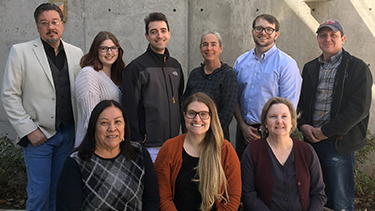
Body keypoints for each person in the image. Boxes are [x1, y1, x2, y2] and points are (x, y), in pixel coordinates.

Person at [1, 3, 83, 210]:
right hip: (39, 137)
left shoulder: (76, 53)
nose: (51, 27)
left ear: (62, 24)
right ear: (37, 27)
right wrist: (29, 131)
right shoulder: (20, 52)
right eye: (44, 23)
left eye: (55, 22)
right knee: (38, 194)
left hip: (68, 135)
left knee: (58, 191)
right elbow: (10, 95)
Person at [297, 19, 372, 211]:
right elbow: (301, 102)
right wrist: (303, 125)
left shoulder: (356, 67)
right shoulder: (310, 67)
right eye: (323, 35)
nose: (327, 39)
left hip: (337, 144)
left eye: (333, 35)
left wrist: (326, 131)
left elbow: (359, 108)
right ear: (318, 39)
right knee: (315, 197)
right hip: (311, 141)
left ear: (343, 38)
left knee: (340, 202)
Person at [56, 100, 159, 211]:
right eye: (104, 123)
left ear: (125, 125)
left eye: (117, 122)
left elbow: (151, 200)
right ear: (93, 128)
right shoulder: (76, 163)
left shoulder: (139, 154)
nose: (112, 128)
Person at [154, 92, 241, 211]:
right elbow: (162, 196)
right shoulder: (169, 148)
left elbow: (233, 197)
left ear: (211, 117)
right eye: (191, 113)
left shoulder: (225, 150)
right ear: (184, 115)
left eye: (203, 114)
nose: (197, 119)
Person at [234, 14, 302, 160]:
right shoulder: (241, 62)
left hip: (272, 134)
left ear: (276, 34)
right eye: (259, 28)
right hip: (244, 132)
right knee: (243, 179)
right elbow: (235, 99)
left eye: (269, 29)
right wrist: (243, 127)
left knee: (268, 180)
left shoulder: (286, 64)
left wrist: (267, 132)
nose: (263, 32)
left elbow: (289, 108)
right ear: (252, 32)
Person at [241, 97, 326, 211]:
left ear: (292, 122)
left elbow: (319, 193)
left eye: (284, 116)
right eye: (273, 116)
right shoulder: (253, 151)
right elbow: (248, 194)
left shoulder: (306, 151)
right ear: (265, 123)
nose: (279, 121)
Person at [122, 12, 184, 162]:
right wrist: (137, 143)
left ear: (169, 34)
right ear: (147, 36)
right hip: (149, 146)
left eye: (163, 31)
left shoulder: (175, 66)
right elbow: (130, 110)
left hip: (175, 143)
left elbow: (181, 103)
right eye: (153, 32)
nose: (159, 35)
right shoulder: (136, 68)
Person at [182, 31, 238, 141]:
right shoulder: (195, 74)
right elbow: (185, 103)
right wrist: (188, 130)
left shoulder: (228, 74)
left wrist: (208, 134)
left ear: (220, 48)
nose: (209, 48)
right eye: (205, 44)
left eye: (213, 44)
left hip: (216, 138)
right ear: (200, 48)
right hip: (192, 136)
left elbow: (227, 112)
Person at [74, 31, 125, 148]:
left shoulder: (117, 76)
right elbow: (90, 120)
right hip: (94, 148)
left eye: (113, 48)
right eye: (104, 48)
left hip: (112, 144)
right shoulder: (88, 74)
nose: (109, 52)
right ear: (95, 50)